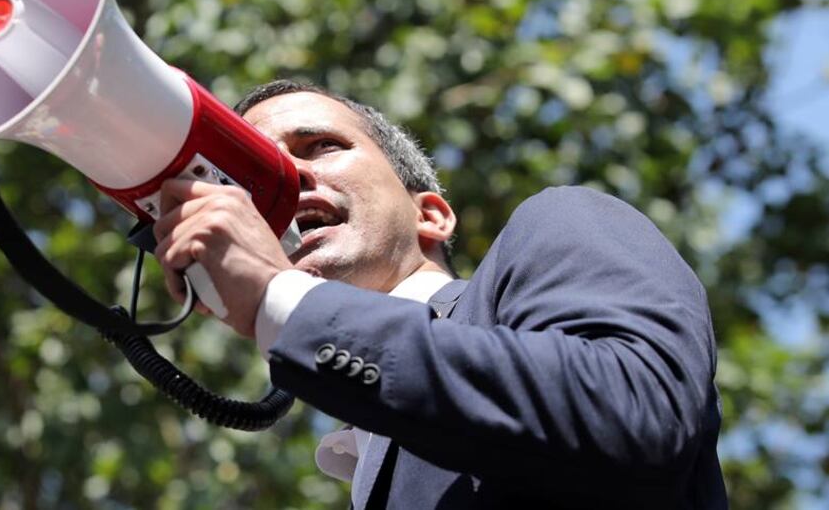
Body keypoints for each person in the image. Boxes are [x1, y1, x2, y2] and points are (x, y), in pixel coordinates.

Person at [152, 80, 728, 509]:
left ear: (430, 214)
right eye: (252, 171)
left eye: (320, 146)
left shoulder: (558, 221)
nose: (285, 177)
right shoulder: (365, 458)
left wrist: (282, 302)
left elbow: (633, 409)